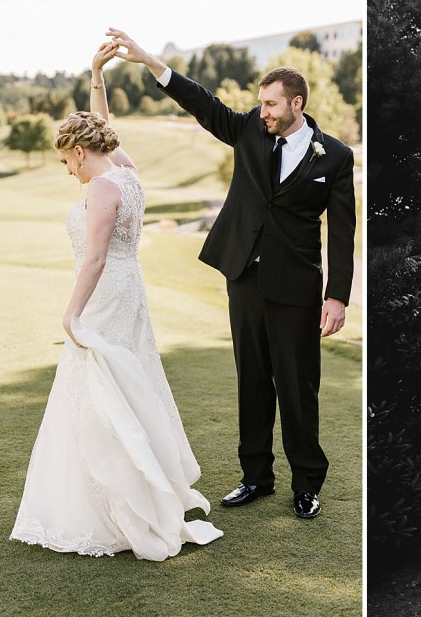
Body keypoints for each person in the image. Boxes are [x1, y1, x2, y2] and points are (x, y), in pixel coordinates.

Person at [106, 28, 356, 520]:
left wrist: (337, 296)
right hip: (243, 277)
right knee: (252, 382)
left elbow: (343, 233)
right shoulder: (246, 132)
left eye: (270, 104)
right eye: (260, 103)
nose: (262, 111)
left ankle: (307, 485)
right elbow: (203, 103)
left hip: (297, 288)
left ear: (296, 104)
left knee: (299, 388)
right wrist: (150, 62)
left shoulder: (337, 157)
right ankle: (255, 478)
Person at [10, 42, 222, 560]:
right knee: (123, 384)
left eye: (66, 159)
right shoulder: (124, 171)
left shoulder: (104, 187)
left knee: (100, 389)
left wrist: (71, 313)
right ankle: (130, 491)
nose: (68, 170)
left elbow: (96, 259)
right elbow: (102, 128)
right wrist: (96, 76)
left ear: (79, 151)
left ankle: (109, 509)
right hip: (131, 291)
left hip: (107, 293)